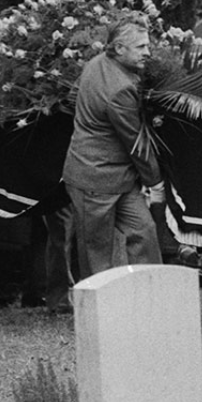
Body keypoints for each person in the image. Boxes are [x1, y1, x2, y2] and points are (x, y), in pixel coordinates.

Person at [62, 18, 164, 280]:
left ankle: (149, 299)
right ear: (119, 49)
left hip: (115, 177)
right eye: (140, 47)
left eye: (147, 45)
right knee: (97, 252)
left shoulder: (95, 63)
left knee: (144, 232)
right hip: (94, 180)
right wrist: (156, 181)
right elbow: (136, 143)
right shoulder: (120, 89)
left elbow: (72, 98)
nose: (147, 52)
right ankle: (98, 313)